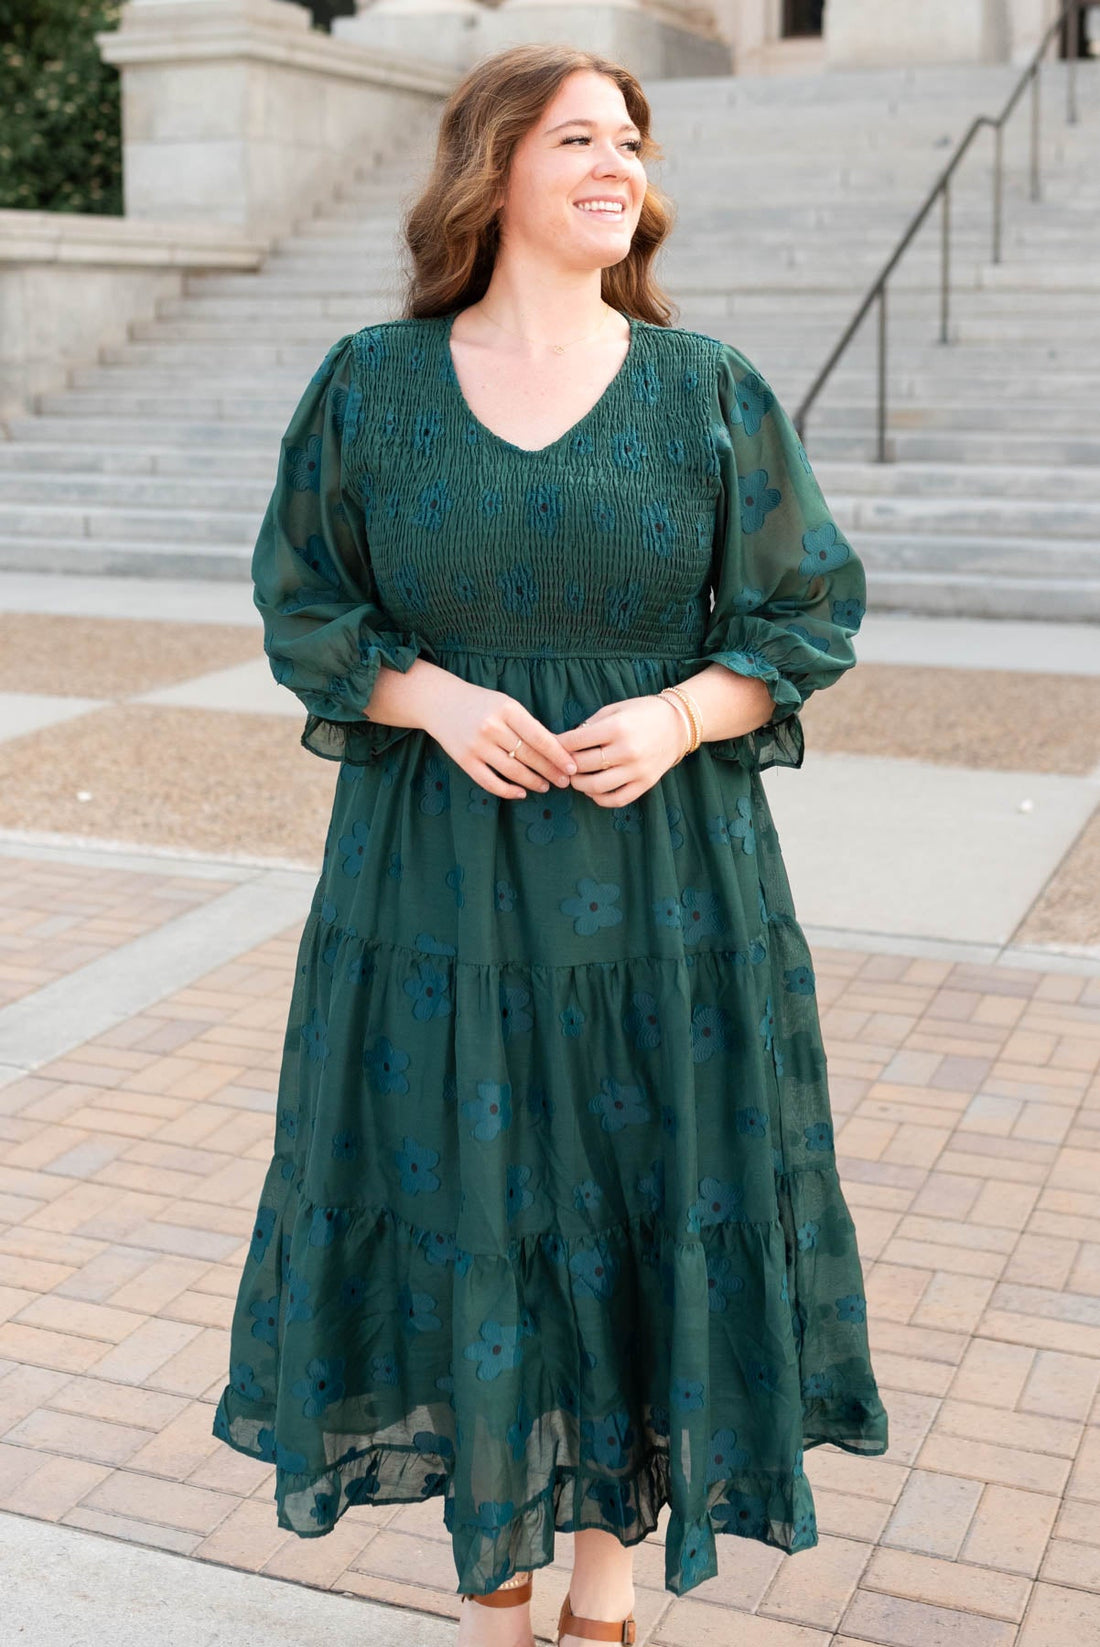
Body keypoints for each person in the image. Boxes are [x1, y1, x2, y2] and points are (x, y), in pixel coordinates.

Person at [211, 40, 889, 1647]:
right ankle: (490, 1599)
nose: (618, 162)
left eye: (633, 139)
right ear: (493, 166)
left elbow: (812, 610)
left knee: (641, 1192)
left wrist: (682, 717)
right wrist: (425, 693)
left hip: (663, 900)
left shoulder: (706, 387)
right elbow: (301, 600)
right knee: (467, 1200)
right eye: (581, 134)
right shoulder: (372, 383)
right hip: (432, 893)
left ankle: (607, 1593)